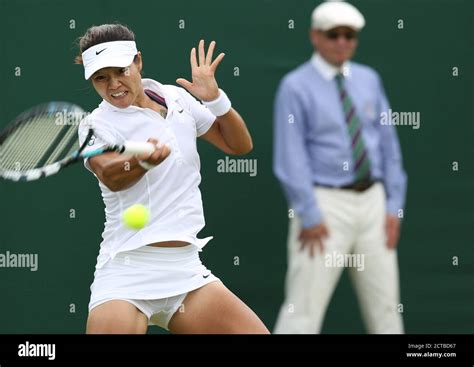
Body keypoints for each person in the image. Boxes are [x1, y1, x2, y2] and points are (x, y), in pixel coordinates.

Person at [75, 23, 269, 334]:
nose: (113, 85)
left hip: (186, 269)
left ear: (138, 61)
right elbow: (111, 175)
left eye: (121, 71)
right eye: (101, 78)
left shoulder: (176, 98)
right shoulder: (95, 124)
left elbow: (239, 145)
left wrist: (216, 99)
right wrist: (142, 162)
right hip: (127, 270)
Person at [273, 1, 407, 334]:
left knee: (387, 310)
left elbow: (389, 146)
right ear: (315, 36)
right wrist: (309, 212)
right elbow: (291, 156)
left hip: (374, 204)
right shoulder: (295, 86)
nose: (343, 42)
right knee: (302, 310)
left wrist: (394, 206)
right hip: (324, 205)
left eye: (350, 35)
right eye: (334, 34)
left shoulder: (369, 80)